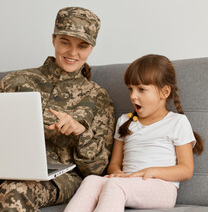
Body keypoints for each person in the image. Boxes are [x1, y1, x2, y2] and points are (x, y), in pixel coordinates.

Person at [0, 7, 115, 212]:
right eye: (65, 42)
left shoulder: (98, 97)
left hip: (60, 177)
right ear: (53, 40)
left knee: (14, 192)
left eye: (82, 46)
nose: (73, 52)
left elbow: (97, 169)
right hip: (1, 168)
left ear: (91, 48)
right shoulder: (15, 81)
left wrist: (81, 133)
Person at [64, 54, 204, 212]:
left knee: (115, 185)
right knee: (90, 181)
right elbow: (114, 164)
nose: (132, 96)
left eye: (141, 89)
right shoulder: (124, 121)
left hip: (162, 188)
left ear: (164, 92)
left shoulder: (177, 122)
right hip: (127, 183)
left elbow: (186, 170)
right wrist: (117, 173)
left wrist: (152, 172)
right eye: (130, 89)